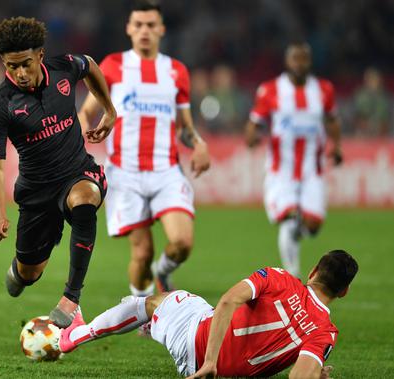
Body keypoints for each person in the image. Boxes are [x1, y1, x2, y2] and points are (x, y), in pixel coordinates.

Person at [0, 16, 116, 328]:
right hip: (36, 192)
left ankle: (71, 298)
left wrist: (108, 109)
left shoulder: (64, 68)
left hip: (77, 172)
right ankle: (20, 270)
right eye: (11, 66)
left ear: (40, 55)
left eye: (25, 64)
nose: (19, 73)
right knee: (29, 274)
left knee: (86, 199)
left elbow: (91, 65)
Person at [78, 0, 210, 298]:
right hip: (126, 173)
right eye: (138, 25)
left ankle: (163, 273)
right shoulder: (112, 66)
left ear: (161, 29)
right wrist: (83, 131)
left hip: (166, 171)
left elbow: (185, 128)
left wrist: (199, 144)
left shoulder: (176, 71)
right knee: (142, 253)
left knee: (183, 243)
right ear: (129, 28)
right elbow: (86, 112)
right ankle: (143, 312)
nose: (144, 31)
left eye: (151, 25)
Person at [59, 249, 358, 378]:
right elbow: (299, 376)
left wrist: (211, 362)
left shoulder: (280, 278)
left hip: (194, 341)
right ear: (343, 291)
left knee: (155, 301)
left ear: (313, 271)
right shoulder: (325, 332)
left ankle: (74, 335)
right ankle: (158, 325)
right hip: (208, 363)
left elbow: (229, 302)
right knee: (196, 304)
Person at [244, 42, 343, 278]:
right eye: (295, 58)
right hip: (282, 170)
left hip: (312, 170)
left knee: (313, 226)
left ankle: (300, 226)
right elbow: (254, 122)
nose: (300, 63)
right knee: (288, 217)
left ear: (310, 61)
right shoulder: (270, 90)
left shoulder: (323, 90)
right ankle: (293, 277)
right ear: (287, 61)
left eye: (304, 58)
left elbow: (332, 120)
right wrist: (251, 137)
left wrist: (336, 146)